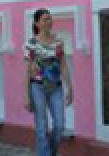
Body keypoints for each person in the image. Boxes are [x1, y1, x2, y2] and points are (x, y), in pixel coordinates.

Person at [24, 8, 72, 156]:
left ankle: (50, 153)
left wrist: (70, 88)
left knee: (60, 125)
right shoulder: (31, 44)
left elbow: (63, 66)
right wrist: (26, 96)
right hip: (37, 87)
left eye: (50, 18)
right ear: (37, 23)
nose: (49, 21)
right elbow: (27, 72)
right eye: (45, 19)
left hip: (56, 87)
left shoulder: (58, 42)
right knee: (42, 126)